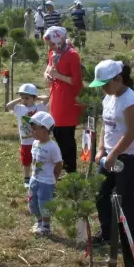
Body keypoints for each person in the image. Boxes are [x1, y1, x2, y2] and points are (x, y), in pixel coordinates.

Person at [91, 60, 134, 258]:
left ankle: (133, 238)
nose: (103, 89)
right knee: (100, 193)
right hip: (109, 155)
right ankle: (107, 232)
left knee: (124, 196)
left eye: (106, 84)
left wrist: (113, 154)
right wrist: (100, 150)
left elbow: (131, 132)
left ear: (118, 78)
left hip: (130, 156)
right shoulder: (108, 97)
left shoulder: (130, 101)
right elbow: (105, 126)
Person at [43, 26, 83, 173]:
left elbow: (76, 81)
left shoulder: (72, 55)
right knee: (57, 133)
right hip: (56, 97)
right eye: (49, 45)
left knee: (66, 135)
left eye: (52, 43)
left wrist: (58, 76)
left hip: (68, 100)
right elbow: (48, 68)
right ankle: (63, 165)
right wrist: (47, 75)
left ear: (59, 39)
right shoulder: (53, 52)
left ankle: (71, 168)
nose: (51, 47)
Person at [27, 111, 63, 236]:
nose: (32, 131)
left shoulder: (52, 147)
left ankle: (46, 227)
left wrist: (55, 177)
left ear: (45, 130)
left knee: (45, 204)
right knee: (32, 202)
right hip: (35, 178)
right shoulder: (35, 143)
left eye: (35, 128)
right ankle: (39, 222)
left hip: (46, 182)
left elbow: (59, 163)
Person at [6, 82, 48, 185]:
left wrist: (37, 98)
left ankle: (37, 176)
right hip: (25, 140)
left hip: (37, 140)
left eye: (27, 98)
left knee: (38, 158)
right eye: (22, 98)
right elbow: (8, 106)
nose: (24, 100)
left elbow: (47, 98)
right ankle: (26, 178)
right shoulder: (20, 108)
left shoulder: (40, 107)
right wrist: (18, 100)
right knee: (26, 159)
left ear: (33, 98)